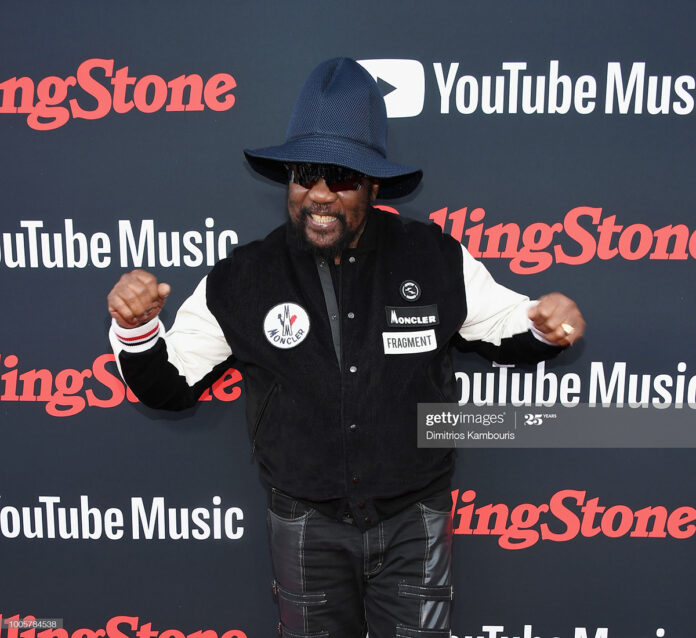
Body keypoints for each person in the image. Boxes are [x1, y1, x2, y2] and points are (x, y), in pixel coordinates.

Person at [107, 58, 584, 638]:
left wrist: (545, 325)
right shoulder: (242, 277)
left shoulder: (434, 257)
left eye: (342, 177)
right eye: (305, 174)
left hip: (414, 518)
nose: (320, 194)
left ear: (374, 184)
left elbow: (506, 325)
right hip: (304, 522)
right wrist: (136, 330)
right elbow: (167, 385)